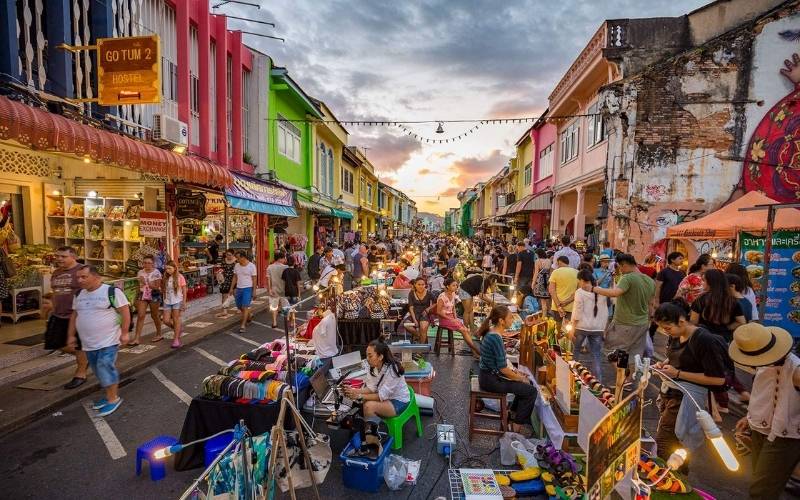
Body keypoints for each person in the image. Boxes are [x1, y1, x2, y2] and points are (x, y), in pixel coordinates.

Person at [651, 301, 727, 466]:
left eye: (668, 328)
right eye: (663, 329)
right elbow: (674, 357)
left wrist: (677, 373)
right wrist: (663, 365)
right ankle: (675, 479)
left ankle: (669, 480)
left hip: (688, 398)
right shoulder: (676, 336)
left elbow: (718, 379)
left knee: (665, 441)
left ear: (682, 321)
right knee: (673, 441)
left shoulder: (704, 340)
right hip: (671, 392)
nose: (666, 332)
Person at [729, 323, 800, 499]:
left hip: (786, 437)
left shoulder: (796, 371)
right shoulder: (763, 364)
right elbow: (762, 393)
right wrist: (750, 416)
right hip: (758, 430)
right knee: (760, 482)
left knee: (761, 491)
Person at [68, 265, 131, 417]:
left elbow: (125, 312)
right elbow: (74, 316)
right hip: (88, 343)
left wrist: (124, 333)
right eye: (78, 277)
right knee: (97, 369)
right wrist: (71, 335)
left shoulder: (111, 292)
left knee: (105, 366)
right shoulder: (79, 294)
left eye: (84, 277)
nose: (80, 280)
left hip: (108, 340)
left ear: (96, 277)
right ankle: (109, 395)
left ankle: (113, 398)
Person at [690, 269, 748, 411]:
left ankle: (720, 404)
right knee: (724, 368)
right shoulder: (732, 301)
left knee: (710, 371)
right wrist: (727, 327)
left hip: (704, 340)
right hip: (724, 340)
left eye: (704, 280)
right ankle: (736, 396)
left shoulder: (701, 300)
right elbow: (742, 322)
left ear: (710, 282)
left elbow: (693, 322)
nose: (702, 283)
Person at [476, 305, 538, 434]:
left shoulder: (492, 332)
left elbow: (502, 366)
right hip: (491, 380)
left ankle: (512, 416)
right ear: (501, 321)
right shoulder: (495, 337)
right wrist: (521, 378)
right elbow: (503, 369)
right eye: (510, 318)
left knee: (526, 386)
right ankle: (516, 427)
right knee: (531, 391)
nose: (512, 320)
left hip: (487, 376)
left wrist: (518, 375)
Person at [593, 253, 656, 372]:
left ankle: (622, 376)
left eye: (619, 267)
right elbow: (651, 304)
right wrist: (648, 321)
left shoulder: (628, 278)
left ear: (624, 265)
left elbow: (615, 293)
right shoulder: (649, 281)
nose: (619, 270)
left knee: (612, 350)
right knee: (634, 355)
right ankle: (629, 380)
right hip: (642, 324)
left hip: (624, 323)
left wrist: (594, 289)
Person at [44, 247, 90, 389]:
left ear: (73, 257)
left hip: (77, 314)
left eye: (63, 256)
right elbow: (55, 291)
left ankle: (80, 373)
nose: (59, 259)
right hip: (58, 314)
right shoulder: (57, 272)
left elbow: (93, 288)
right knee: (54, 343)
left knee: (78, 344)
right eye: (57, 256)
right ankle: (87, 356)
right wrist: (51, 304)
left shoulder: (83, 270)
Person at [343, 340, 410, 418]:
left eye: (370, 356)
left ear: (380, 357)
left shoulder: (393, 370)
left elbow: (381, 396)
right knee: (360, 402)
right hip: (386, 398)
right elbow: (371, 388)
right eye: (367, 355)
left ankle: (373, 429)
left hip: (398, 401)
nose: (367, 359)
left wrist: (359, 395)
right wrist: (353, 391)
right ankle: (364, 426)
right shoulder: (373, 367)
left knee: (369, 406)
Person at [569, 270, 609, 380]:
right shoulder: (602, 292)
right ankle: (598, 382)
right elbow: (606, 312)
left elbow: (577, 312)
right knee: (596, 355)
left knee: (576, 351)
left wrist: (572, 329)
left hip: (581, 327)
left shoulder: (580, 292)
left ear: (582, 280)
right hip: (597, 328)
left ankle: (573, 376)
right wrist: (604, 329)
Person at [437, 278, 480, 357]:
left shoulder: (453, 294)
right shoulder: (442, 297)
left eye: (456, 285)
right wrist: (450, 319)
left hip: (451, 318)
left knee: (466, 330)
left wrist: (455, 318)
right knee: (464, 330)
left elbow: (453, 308)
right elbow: (439, 312)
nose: (456, 287)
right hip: (444, 319)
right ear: (447, 286)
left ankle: (475, 351)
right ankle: (475, 352)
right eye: (453, 285)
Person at [131, 255, 162, 345]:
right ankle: (136, 338)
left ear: (153, 264)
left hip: (154, 295)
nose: (147, 265)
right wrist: (135, 297)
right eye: (145, 263)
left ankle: (159, 333)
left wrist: (146, 282)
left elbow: (157, 287)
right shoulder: (140, 272)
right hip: (142, 295)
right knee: (141, 315)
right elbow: (138, 286)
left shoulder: (157, 273)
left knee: (154, 315)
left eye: (149, 263)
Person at [160, 260, 187, 348]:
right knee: (166, 320)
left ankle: (176, 340)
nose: (168, 270)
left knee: (176, 319)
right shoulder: (165, 277)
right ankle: (177, 330)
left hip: (177, 300)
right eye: (166, 268)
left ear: (175, 268)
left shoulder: (180, 277)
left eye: (170, 268)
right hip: (167, 301)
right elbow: (163, 289)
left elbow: (184, 289)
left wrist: (184, 302)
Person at [548, 255, 578, 329]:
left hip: (557, 305)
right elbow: (578, 292)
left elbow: (552, 290)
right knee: (570, 330)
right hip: (571, 306)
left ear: (559, 262)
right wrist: (567, 302)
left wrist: (559, 305)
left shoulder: (555, 272)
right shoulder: (577, 272)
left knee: (556, 329)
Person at [231, 251, 257, 333]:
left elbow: (254, 279)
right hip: (239, 288)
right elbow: (235, 277)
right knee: (239, 306)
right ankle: (249, 315)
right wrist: (231, 288)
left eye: (238, 258)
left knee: (245, 306)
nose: (237, 260)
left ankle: (243, 325)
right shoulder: (237, 266)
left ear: (243, 257)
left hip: (248, 288)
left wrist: (254, 291)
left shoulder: (252, 266)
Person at [407, 277, 435, 344]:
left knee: (423, 327)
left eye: (423, 284)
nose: (421, 286)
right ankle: (420, 336)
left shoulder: (428, 293)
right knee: (406, 325)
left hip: (424, 315)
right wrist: (414, 320)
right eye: (419, 284)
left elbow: (436, 302)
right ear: (415, 285)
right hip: (414, 314)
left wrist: (428, 309)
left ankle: (420, 350)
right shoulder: (411, 293)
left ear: (425, 285)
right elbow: (411, 308)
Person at [266, 251, 289, 328]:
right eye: (283, 258)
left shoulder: (269, 267)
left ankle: (274, 322)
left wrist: (269, 289)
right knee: (286, 306)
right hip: (284, 290)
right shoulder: (285, 267)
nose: (284, 260)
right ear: (280, 258)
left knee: (273, 307)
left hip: (274, 290)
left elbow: (268, 280)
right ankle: (287, 320)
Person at [216, 250, 237, 317]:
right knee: (224, 295)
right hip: (224, 280)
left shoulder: (236, 261)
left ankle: (239, 308)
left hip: (234, 279)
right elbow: (222, 269)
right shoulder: (223, 261)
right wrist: (219, 272)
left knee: (236, 295)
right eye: (227, 255)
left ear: (233, 255)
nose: (228, 256)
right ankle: (224, 311)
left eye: (230, 255)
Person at [532, 248, 551, 313]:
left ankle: (544, 315)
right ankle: (548, 312)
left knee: (543, 301)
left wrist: (533, 283)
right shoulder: (549, 261)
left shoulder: (537, 261)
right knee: (546, 298)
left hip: (540, 280)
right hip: (547, 280)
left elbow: (536, 273)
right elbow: (550, 272)